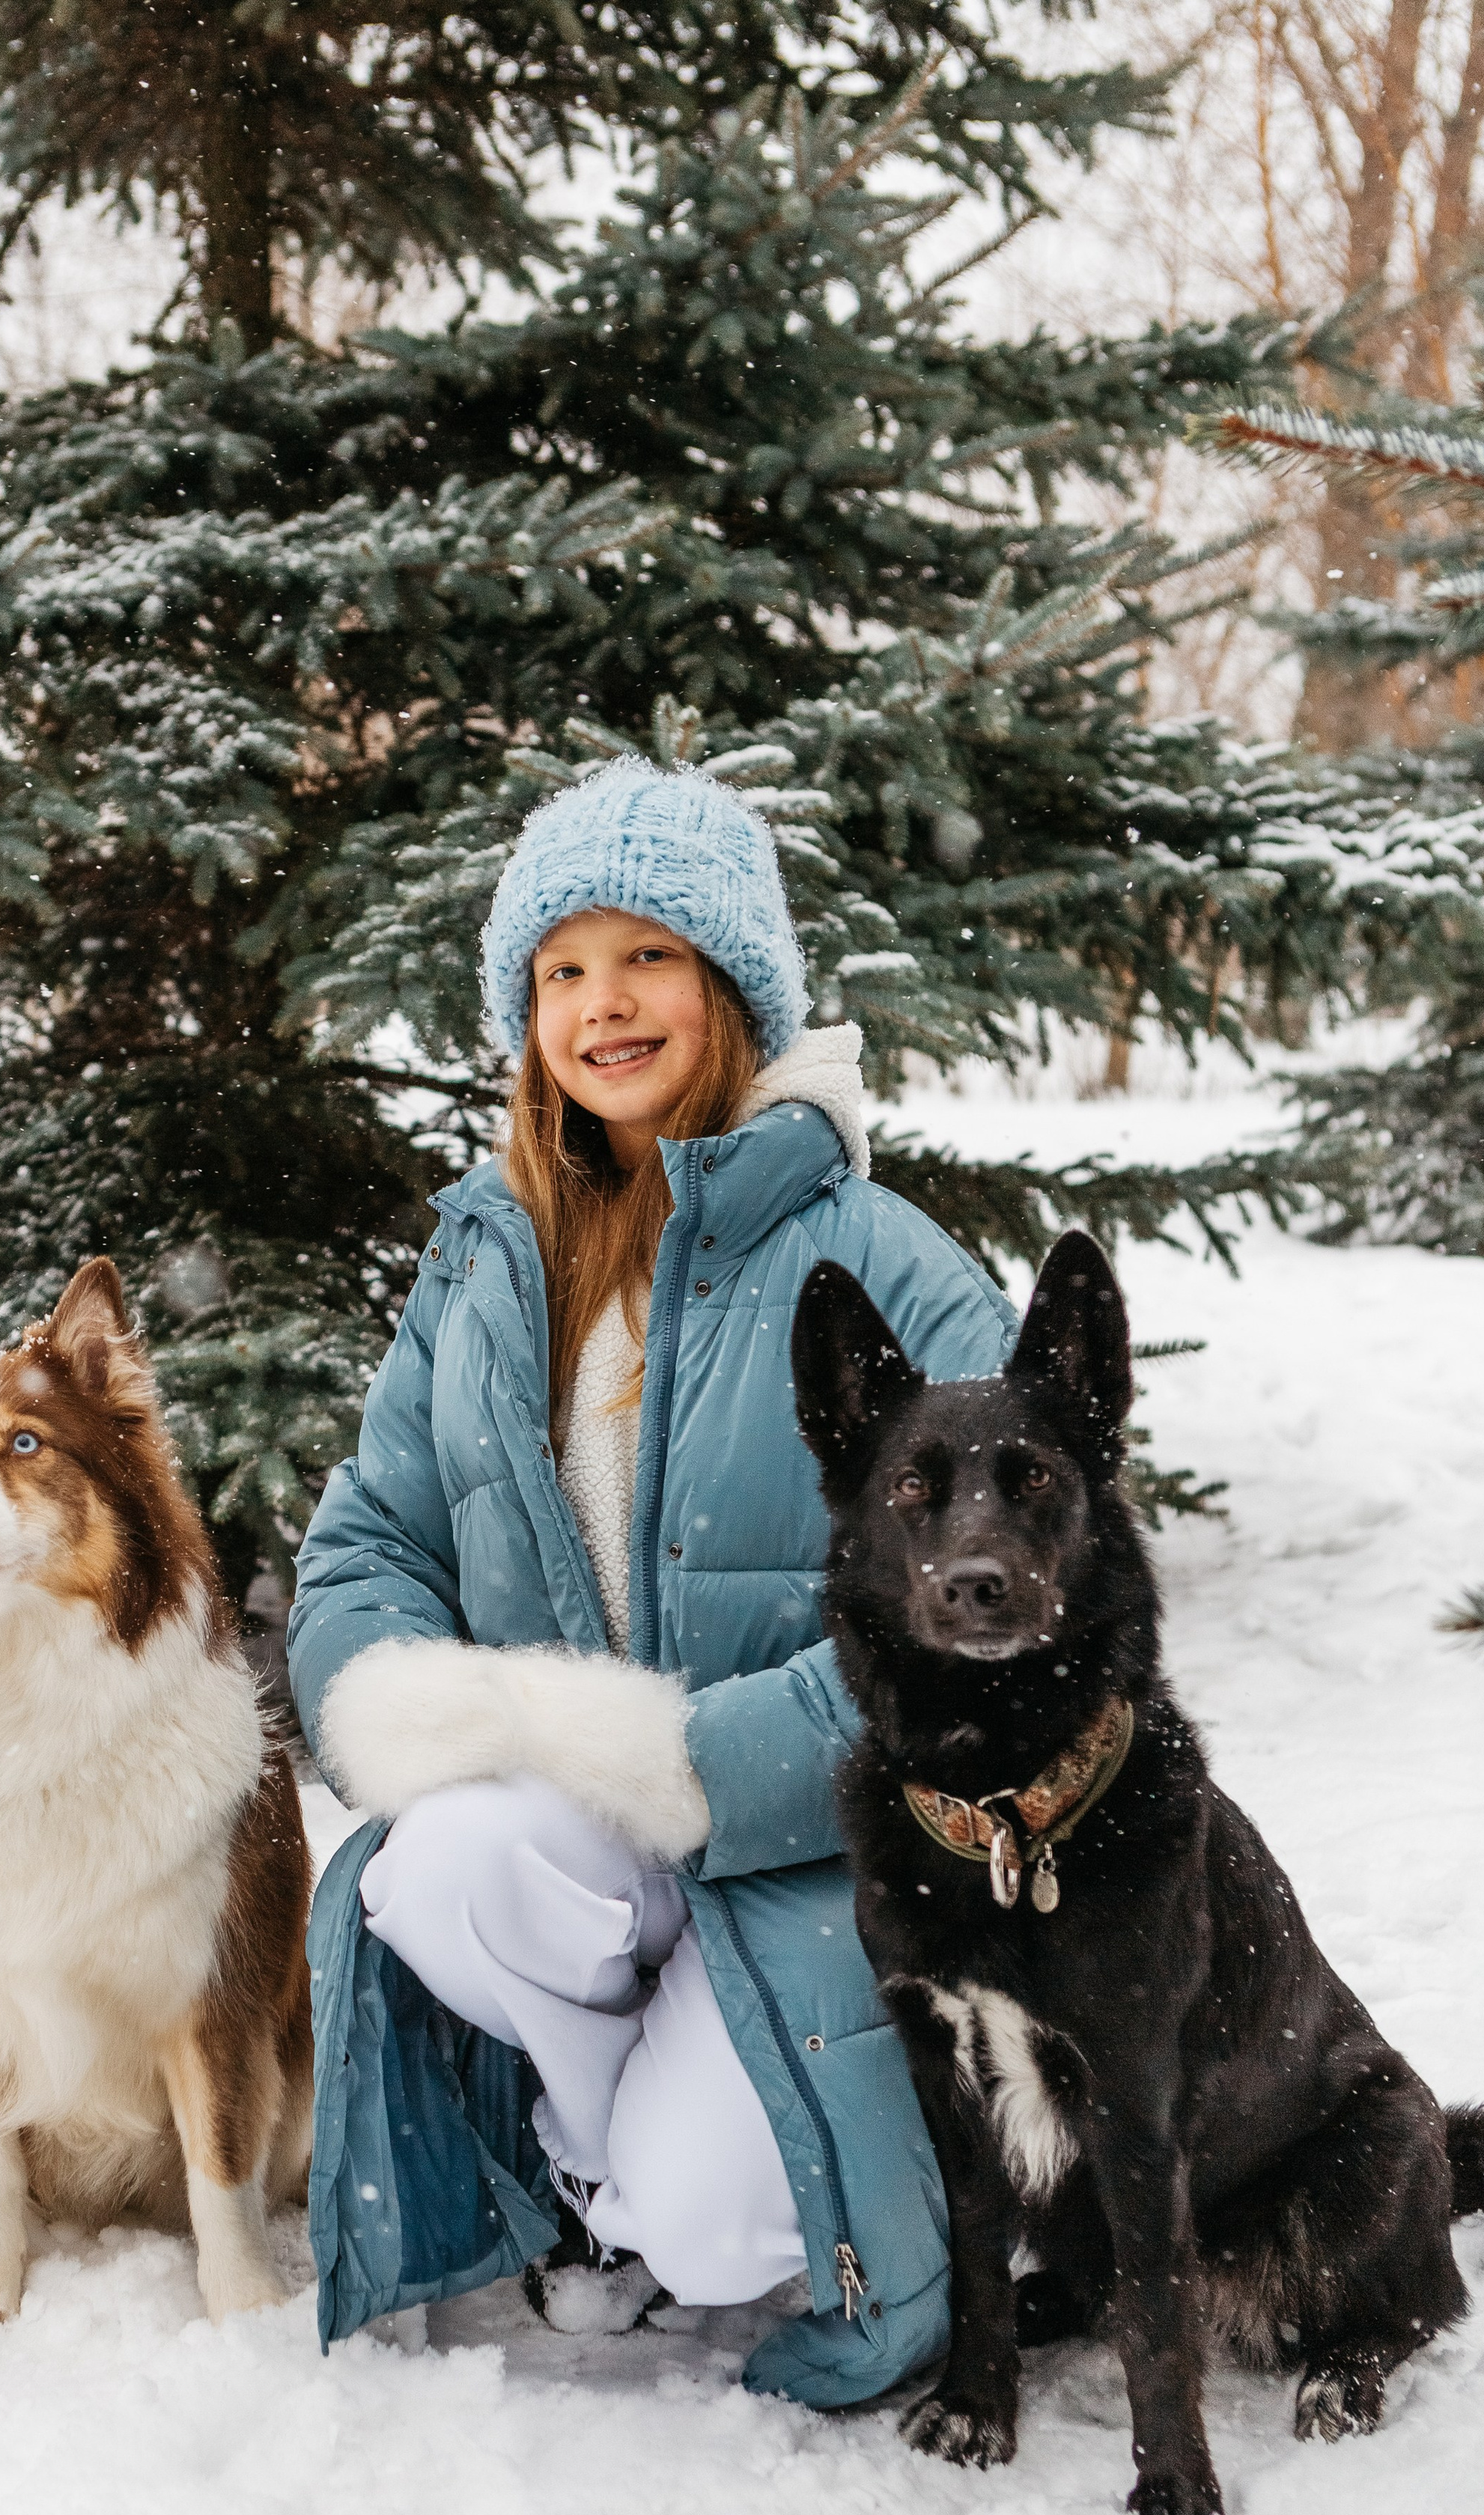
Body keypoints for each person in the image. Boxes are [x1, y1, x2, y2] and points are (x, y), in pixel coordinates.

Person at [288, 758, 1016, 2404]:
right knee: (440, 1861)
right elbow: (366, 1545)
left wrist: (709, 1770)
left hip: (825, 1844)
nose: (599, 1006)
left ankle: (635, 2189)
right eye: (560, 969)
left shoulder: (881, 1262)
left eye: (647, 959)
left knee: (711, 2225)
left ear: (730, 986)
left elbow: (989, 1620)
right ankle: (609, 2155)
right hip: (584, 1835)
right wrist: (420, 1701)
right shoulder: (485, 1267)